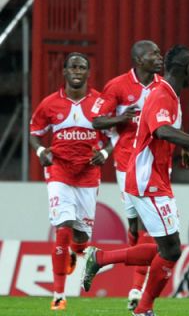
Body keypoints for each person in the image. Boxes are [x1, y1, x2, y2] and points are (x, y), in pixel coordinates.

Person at [81, 45, 189, 316]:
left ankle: (101, 259)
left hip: (155, 177)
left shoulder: (169, 93)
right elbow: (162, 130)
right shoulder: (162, 93)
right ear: (188, 70)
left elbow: (168, 127)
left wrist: (185, 148)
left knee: (165, 247)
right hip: (146, 179)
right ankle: (143, 307)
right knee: (171, 249)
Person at [29, 52, 111, 310]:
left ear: (88, 73)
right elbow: (35, 133)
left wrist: (105, 152)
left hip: (88, 174)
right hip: (59, 171)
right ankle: (58, 296)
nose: (77, 71)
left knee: (81, 239)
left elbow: (115, 135)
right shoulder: (50, 104)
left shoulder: (100, 103)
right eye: (73, 67)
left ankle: (75, 252)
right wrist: (41, 151)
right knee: (63, 227)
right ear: (64, 72)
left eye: (82, 67)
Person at [91, 40, 163, 310]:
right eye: (153, 53)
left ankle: (137, 290)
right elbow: (97, 120)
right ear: (138, 60)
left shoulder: (163, 86)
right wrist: (121, 118)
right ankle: (123, 270)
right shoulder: (117, 86)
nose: (159, 56)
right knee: (134, 226)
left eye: (159, 52)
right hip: (127, 165)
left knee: (150, 226)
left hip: (157, 165)